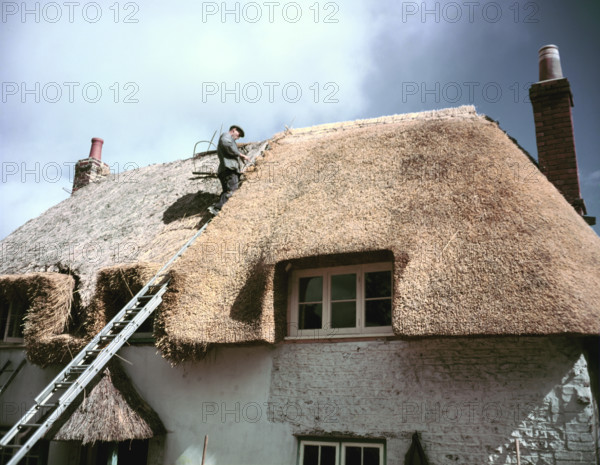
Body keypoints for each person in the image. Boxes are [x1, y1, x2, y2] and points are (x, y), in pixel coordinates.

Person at [208, 125, 249, 215]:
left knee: (227, 191)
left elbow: (230, 155)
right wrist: (241, 155)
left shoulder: (230, 140)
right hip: (228, 170)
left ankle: (217, 208)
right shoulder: (226, 137)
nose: (238, 138)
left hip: (226, 170)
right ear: (234, 130)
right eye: (238, 135)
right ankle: (216, 208)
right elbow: (226, 144)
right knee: (232, 190)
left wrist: (238, 171)